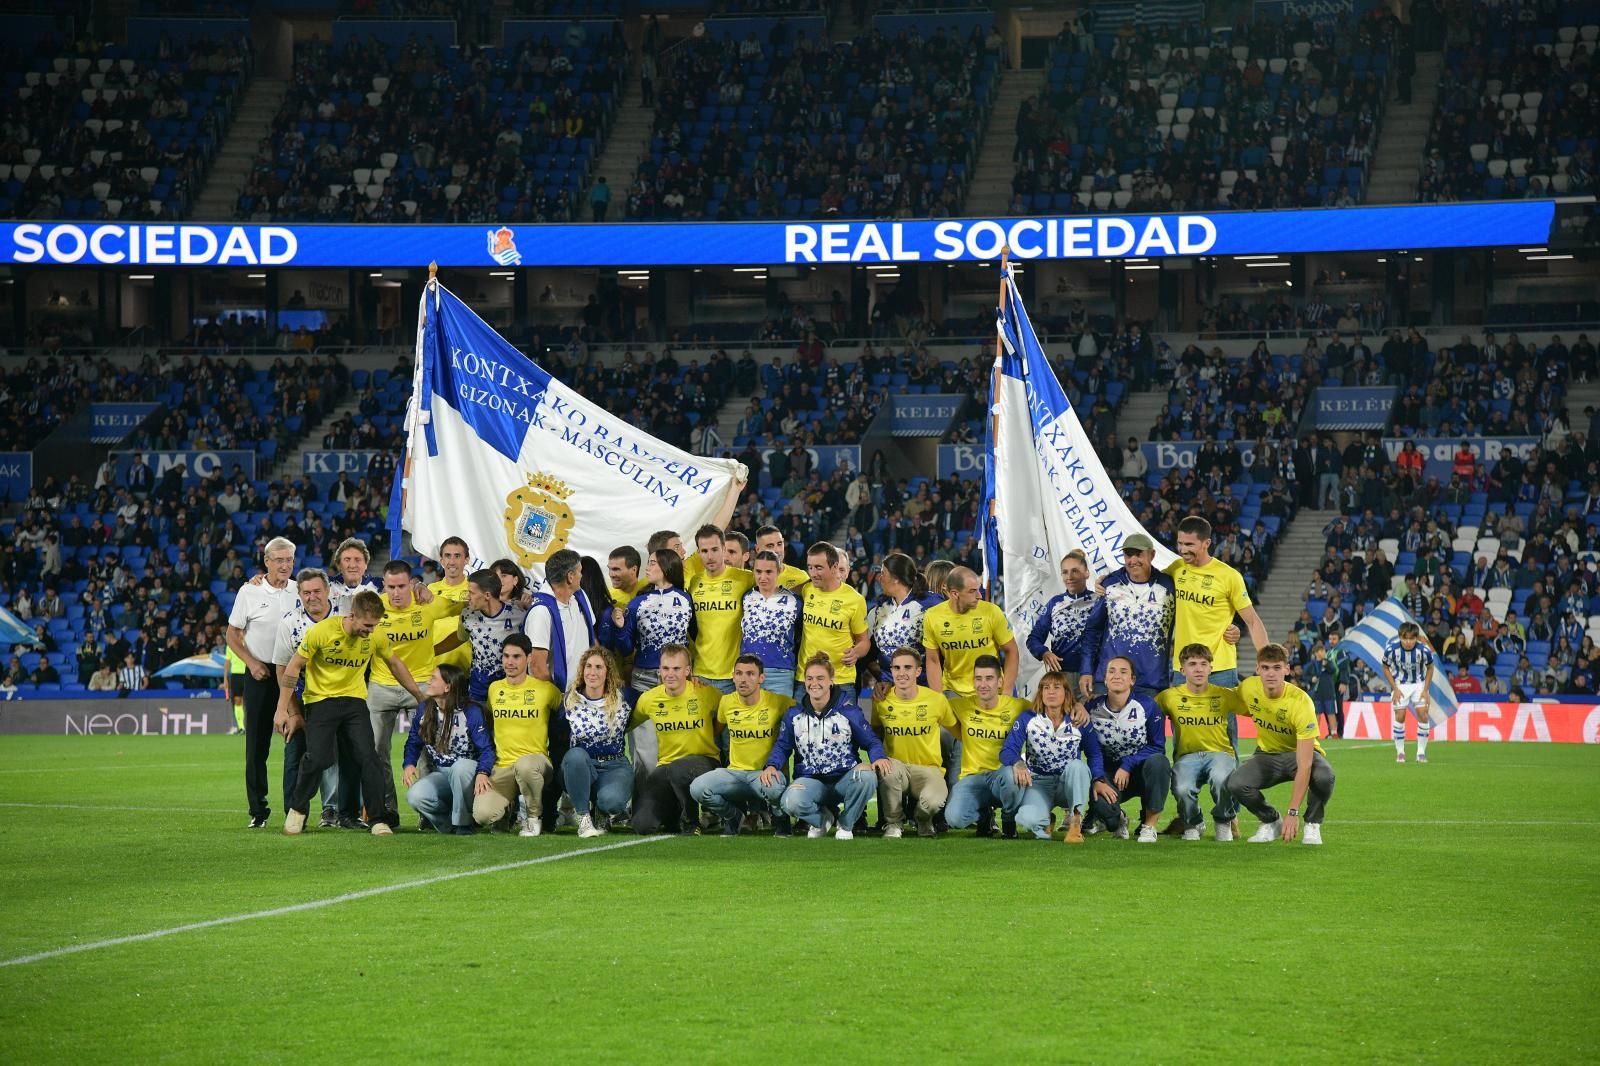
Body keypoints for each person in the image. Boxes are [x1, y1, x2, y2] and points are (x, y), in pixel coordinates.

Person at [275, 591, 423, 836]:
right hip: (321, 701)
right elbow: (293, 666)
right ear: (352, 616)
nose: (371, 631)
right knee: (319, 758)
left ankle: (377, 819)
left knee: (369, 757)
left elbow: (395, 663)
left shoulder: (376, 635)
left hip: (354, 701)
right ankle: (297, 810)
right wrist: (282, 710)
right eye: (367, 625)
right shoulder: (322, 632)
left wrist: (418, 695)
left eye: (375, 626)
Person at [369, 559, 465, 821]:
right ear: (384, 585)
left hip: (423, 687)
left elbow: (465, 605)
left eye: (401, 586)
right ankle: (388, 811)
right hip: (381, 686)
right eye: (390, 587)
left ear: (411, 584)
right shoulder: (375, 607)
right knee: (377, 752)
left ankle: (428, 811)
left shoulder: (428, 603)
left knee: (427, 751)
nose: (396, 593)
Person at [762, 653, 889, 840]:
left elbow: (871, 741)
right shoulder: (793, 715)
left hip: (844, 779)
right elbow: (782, 746)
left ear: (831, 681)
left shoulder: (848, 711)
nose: (815, 683)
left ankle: (846, 824)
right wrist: (772, 765)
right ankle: (823, 820)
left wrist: (878, 757)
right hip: (810, 781)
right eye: (810, 678)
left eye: (820, 678)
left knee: (867, 776)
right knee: (790, 802)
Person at [271, 568, 356, 830]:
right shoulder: (289, 622)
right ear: (299, 595)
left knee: (349, 755)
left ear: (329, 591)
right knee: (295, 754)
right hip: (303, 700)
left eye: (317, 591)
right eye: (306, 593)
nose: (312, 597)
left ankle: (347, 814)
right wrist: (290, 712)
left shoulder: (346, 617)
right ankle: (294, 813)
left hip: (342, 698)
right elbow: (283, 668)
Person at [1229, 643, 1336, 845]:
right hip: (1267, 755)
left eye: (1277, 668)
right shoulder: (1249, 687)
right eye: (1266, 668)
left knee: (1324, 776)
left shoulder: (1301, 703)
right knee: (1236, 783)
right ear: (1257, 669)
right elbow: (1236, 705)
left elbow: (1304, 765)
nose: (1271, 674)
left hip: (1300, 755)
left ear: (1287, 669)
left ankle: (1312, 824)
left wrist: (1293, 812)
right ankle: (1271, 821)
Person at [226, 536, 300, 829]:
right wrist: (252, 663)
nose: (284, 565)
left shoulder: (300, 590)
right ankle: (258, 810)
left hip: (294, 675)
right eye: (279, 560)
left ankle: (295, 808)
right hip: (261, 674)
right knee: (257, 746)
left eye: (289, 560)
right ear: (266, 562)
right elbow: (232, 634)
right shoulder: (249, 591)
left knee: (296, 743)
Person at [689, 654, 791, 835]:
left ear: (761, 678)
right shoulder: (727, 702)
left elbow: (805, 712)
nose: (744, 679)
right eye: (739, 674)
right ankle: (733, 816)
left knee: (774, 788)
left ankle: (781, 819)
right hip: (735, 774)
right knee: (697, 788)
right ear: (733, 677)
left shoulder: (778, 702)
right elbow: (715, 730)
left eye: (750, 674)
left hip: (764, 775)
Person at [472, 634, 562, 835]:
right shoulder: (494, 689)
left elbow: (565, 717)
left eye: (516, 656)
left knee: (525, 766)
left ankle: (533, 817)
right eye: (505, 656)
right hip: (503, 766)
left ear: (529, 658)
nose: (509, 662)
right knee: (483, 815)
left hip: (536, 763)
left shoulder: (546, 690)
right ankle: (507, 811)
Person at [1155, 644, 1245, 842]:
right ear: (1182, 669)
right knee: (1181, 788)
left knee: (1223, 780)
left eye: (1204, 664)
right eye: (1192, 664)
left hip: (1220, 754)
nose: (1198, 669)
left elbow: (1255, 708)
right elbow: (1147, 714)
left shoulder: (1224, 695)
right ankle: (1193, 822)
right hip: (1187, 757)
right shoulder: (1168, 697)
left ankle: (1224, 821)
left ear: (1211, 669)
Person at [999, 671, 1101, 842]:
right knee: (1026, 819)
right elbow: (1007, 750)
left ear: (1066, 693)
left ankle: (1076, 822)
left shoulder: (1079, 719)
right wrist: (1018, 763)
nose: (1051, 692)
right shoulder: (1028, 718)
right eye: (1046, 688)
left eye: (1056, 687)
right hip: (1038, 782)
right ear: (1040, 693)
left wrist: (1098, 778)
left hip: (1067, 783)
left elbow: (1094, 753)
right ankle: (1046, 819)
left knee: (1078, 767)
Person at [632, 645, 722, 834]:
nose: (670, 674)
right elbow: (627, 725)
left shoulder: (705, 693)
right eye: (666, 668)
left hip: (705, 763)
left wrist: (712, 732)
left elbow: (728, 712)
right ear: (660, 670)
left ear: (688, 671)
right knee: (643, 825)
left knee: (679, 769)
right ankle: (674, 815)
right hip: (667, 766)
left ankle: (692, 821)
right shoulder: (649, 700)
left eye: (676, 669)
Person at [1165, 516, 1265, 687]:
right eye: (1180, 543)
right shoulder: (1176, 568)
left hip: (1220, 669)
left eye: (1189, 545)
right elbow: (1144, 581)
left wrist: (1267, 661)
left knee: (1223, 715)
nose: (1183, 549)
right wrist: (1106, 581)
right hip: (1183, 668)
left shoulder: (1229, 576)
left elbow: (1253, 621)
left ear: (1206, 543)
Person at [870, 647, 956, 838]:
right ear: (891, 671)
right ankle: (893, 824)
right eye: (897, 668)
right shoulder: (881, 700)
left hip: (928, 769)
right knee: (887, 770)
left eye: (908, 667)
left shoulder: (936, 700)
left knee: (933, 802)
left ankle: (923, 820)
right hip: (897, 767)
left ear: (918, 671)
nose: (902, 673)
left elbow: (955, 730)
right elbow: (875, 733)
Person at [1083, 656, 1170, 843]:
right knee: (1107, 814)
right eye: (1111, 671)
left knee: (1159, 763)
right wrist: (1098, 778)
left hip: (1140, 771)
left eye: (1123, 672)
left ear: (1132, 679)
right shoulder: (1091, 708)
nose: (1117, 676)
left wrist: (1128, 765)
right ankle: (1119, 818)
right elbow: (1092, 750)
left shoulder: (1147, 706)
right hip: (1109, 774)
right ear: (1104, 679)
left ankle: (1150, 825)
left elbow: (1157, 746)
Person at [402, 663, 496, 835]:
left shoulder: (471, 711)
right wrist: (409, 763)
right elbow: (413, 741)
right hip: (443, 773)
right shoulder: (424, 709)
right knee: (415, 796)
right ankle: (447, 826)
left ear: (447, 686)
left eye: (433, 679)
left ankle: (464, 825)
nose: (428, 682)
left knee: (459, 768)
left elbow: (487, 749)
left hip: (469, 774)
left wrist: (483, 772)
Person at [1079, 533, 1175, 700]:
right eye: (1128, 555)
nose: (1133, 560)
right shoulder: (1109, 584)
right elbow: (1092, 630)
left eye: (1139, 554)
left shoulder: (1169, 586)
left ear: (1152, 555)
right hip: (1109, 680)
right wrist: (1086, 669)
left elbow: (1190, 618)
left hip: (1151, 683)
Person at [945, 655, 1031, 833]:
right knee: (954, 818)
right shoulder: (961, 705)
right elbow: (931, 703)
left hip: (1003, 776)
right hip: (973, 777)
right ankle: (984, 815)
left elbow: (1049, 707)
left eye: (989, 678)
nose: (983, 684)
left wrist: (1076, 708)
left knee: (1010, 777)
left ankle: (1009, 818)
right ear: (973, 682)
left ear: (1000, 682)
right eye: (978, 678)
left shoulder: (1018, 706)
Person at [560, 647, 635, 838]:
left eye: (599, 667)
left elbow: (653, 699)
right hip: (582, 767)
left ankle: (602, 811)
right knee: (575, 756)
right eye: (588, 666)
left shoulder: (625, 697)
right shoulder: (569, 699)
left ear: (608, 672)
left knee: (612, 801)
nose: (592, 672)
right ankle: (583, 819)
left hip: (614, 765)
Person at [434, 570, 528, 704]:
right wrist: (432, 651)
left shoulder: (519, 613)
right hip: (478, 690)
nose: (467, 597)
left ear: (487, 595)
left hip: (510, 688)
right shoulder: (467, 615)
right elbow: (460, 637)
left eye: (471, 593)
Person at [923, 566, 1018, 699]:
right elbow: (932, 659)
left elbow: (1012, 650)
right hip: (953, 691)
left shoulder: (992, 611)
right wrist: (938, 698)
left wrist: (1007, 692)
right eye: (972, 591)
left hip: (991, 689)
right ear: (955, 594)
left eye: (978, 589)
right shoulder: (932, 616)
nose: (979, 596)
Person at [684, 524, 754, 696]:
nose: (710, 556)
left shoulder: (746, 579)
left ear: (723, 549)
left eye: (715, 549)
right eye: (704, 551)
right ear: (699, 553)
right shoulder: (694, 583)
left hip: (734, 676)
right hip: (700, 675)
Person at [865, 551, 943, 700]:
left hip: (923, 691)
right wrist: (883, 678)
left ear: (895, 578)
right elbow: (868, 654)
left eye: (883, 573)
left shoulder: (930, 604)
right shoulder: (879, 609)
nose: (879, 578)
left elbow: (944, 651)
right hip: (889, 693)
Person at [798, 541, 870, 693]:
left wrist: (856, 652)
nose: (813, 573)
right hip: (806, 678)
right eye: (810, 567)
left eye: (819, 568)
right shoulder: (806, 589)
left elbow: (864, 641)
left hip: (840, 680)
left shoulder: (854, 600)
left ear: (834, 567)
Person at [526, 549, 597, 694]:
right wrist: (558, 701)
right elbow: (537, 666)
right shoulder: (541, 612)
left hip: (584, 692)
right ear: (570, 576)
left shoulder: (580, 596)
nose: (582, 576)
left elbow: (592, 639)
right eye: (579, 571)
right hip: (558, 698)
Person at [739, 550, 802, 696]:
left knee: (779, 719)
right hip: (748, 672)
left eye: (769, 572)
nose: (763, 577)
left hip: (781, 674)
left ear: (779, 571)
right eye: (758, 571)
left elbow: (801, 637)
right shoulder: (746, 598)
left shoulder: (794, 601)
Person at [1026, 550, 1097, 676]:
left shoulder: (1098, 601)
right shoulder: (1055, 603)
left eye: (1075, 571)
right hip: (1062, 676)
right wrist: (1044, 652)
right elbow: (1033, 638)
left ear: (1086, 573)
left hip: (1093, 675)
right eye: (1065, 572)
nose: (1069, 577)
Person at [1382, 621, 1435, 764]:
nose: (1408, 642)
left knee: (1423, 714)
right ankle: (1400, 752)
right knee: (1400, 715)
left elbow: (1430, 668)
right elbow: (1385, 667)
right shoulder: (1391, 650)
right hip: (1400, 684)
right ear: (1400, 637)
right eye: (1405, 638)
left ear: (1416, 638)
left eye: (1412, 638)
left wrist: (1425, 690)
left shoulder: (1423, 650)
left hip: (1418, 684)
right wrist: (1394, 688)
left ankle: (1421, 753)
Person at [428, 537, 475, 672]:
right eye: (447, 556)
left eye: (457, 556)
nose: (452, 562)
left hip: (463, 669)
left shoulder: (475, 590)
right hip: (433, 669)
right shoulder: (429, 590)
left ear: (466, 560)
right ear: (441, 560)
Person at [752, 524, 811, 589]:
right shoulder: (749, 580)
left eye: (779, 544)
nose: (777, 550)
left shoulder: (801, 578)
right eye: (770, 546)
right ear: (757, 549)